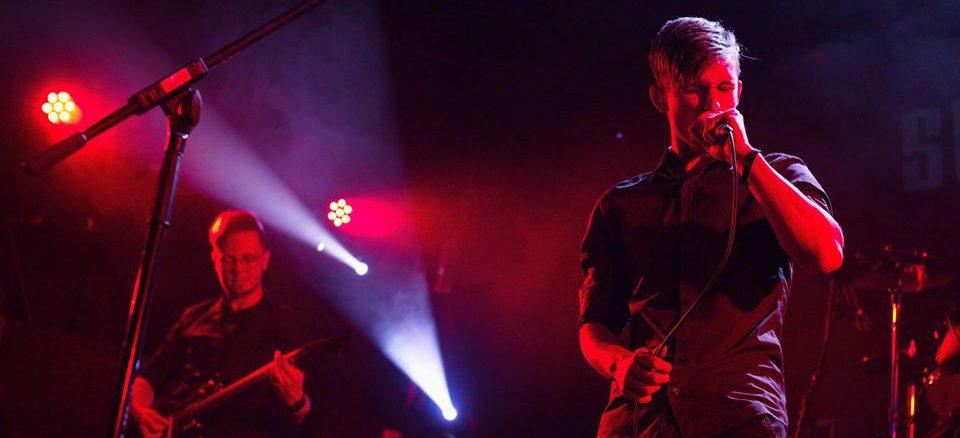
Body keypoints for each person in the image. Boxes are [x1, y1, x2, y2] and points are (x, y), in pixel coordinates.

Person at [577, 17, 844, 437]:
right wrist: (619, 363)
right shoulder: (620, 205)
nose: (711, 105)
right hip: (640, 423)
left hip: (740, 419)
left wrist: (747, 161)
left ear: (740, 90)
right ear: (659, 97)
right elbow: (594, 324)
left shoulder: (779, 176)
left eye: (723, 87)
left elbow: (826, 255)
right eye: (693, 89)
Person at [130, 210, 313, 437]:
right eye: (228, 259)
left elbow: (307, 419)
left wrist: (296, 401)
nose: (238, 269)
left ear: (265, 260)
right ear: (215, 260)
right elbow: (149, 376)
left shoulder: (286, 325)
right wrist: (141, 412)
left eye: (248, 259)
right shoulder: (193, 316)